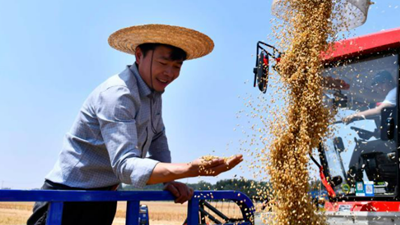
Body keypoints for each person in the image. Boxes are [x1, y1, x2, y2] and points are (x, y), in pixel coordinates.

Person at [27, 24, 243, 225]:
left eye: (177, 66)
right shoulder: (119, 94)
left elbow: (157, 137)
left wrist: (169, 181)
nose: (170, 73)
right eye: (163, 63)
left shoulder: (153, 94)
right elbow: (125, 166)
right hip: (66, 199)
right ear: (139, 55)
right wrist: (188, 170)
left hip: (103, 198)